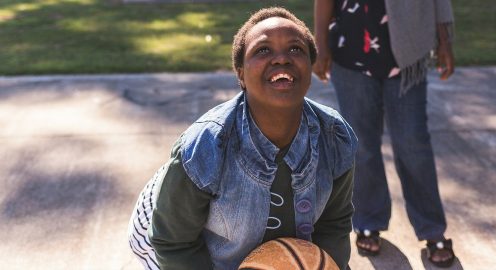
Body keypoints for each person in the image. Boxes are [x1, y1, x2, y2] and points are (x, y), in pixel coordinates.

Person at [127, 7, 358, 270]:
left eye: (295, 49)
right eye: (263, 50)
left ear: (310, 64)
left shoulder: (335, 137)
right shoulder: (205, 146)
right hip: (165, 235)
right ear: (240, 73)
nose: (281, 58)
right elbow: (173, 242)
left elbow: (334, 224)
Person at [313, 0, 456, 268]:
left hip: (406, 54)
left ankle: (432, 230)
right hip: (350, 47)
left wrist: (444, 40)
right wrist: (320, 41)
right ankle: (368, 221)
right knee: (362, 146)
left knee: (413, 143)